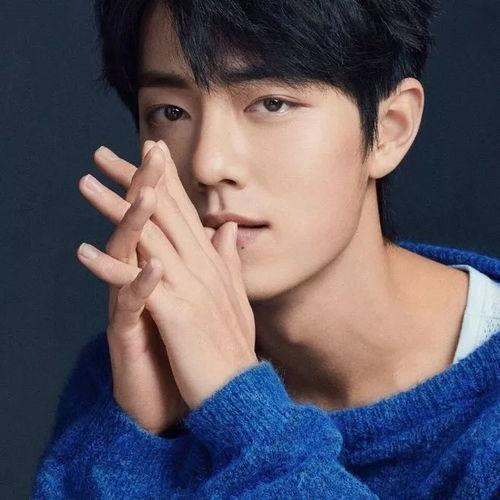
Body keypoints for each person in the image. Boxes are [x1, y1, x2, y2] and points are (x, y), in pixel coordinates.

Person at [32, 0, 500, 498]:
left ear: (389, 128)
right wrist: (141, 439)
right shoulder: (136, 367)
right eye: (171, 112)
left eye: (271, 104)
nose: (208, 164)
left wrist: (237, 405)